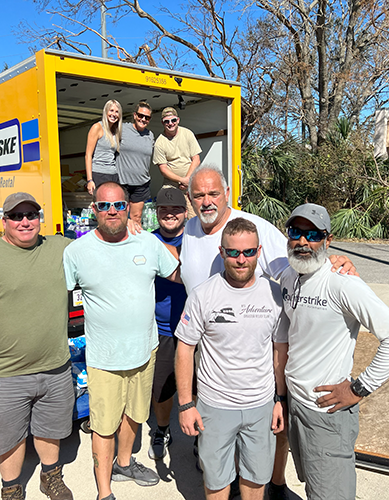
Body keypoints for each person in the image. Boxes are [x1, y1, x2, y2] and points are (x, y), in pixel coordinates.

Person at [179, 164, 357, 499]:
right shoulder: (190, 229)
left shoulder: (254, 229)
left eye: (213, 193)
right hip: (211, 354)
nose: (206, 201)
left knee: (258, 453)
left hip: (256, 352)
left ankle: (274, 483)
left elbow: (298, 265)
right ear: (191, 199)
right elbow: (183, 272)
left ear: (227, 193)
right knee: (215, 462)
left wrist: (336, 264)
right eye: (198, 195)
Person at [279, 203, 389, 500]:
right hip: (297, 406)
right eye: (296, 232)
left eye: (312, 234)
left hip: (327, 413)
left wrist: (359, 388)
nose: (303, 241)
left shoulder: (343, 283)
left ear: (327, 240)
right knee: (316, 486)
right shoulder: (288, 274)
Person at [63, 182, 180, 500]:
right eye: (104, 206)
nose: (111, 211)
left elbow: (180, 274)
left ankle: (125, 463)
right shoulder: (76, 252)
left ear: (129, 207)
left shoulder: (149, 243)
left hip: (145, 351)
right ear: (94, 209)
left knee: (135, 414)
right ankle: (104, 492)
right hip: (104, 358)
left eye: (118, 205)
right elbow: (54, 296)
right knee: (103, 425)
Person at [0, 192, 74, 500]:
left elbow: (100, 247)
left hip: (56, 367)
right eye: (16, 216)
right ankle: (12, 488)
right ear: (4, 221)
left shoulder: (59, 247)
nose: (25, 222)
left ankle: (51, 477)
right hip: (6, 374)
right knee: (9, 437)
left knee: (51, 429)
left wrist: (131, 226)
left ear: (40, 218)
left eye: (31, 215)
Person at [175, 218, 289, 500]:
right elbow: (185, 349)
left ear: (259, 251)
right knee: (216, 481)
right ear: (222, 251)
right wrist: (186, 404)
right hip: (215, 406)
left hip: (260, 405)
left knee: (256, 478)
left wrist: (280, 399)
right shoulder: (203, 295)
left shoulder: (274, 295)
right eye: (234, 252)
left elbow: (279, 351)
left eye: (249, 252)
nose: (241, 260)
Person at [148, 187, 188, 460]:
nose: (170, 214)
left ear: (185, 213)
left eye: (175, 210)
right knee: (161, 389)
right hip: (161, 330)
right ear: (157, 213)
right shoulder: (145, 241)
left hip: (195, 331)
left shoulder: (197, 241)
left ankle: (202, 439)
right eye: (164, 209)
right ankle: (162, 430)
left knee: (201, 388)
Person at [152, 107, 201, 217]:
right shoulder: (159, 142)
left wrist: (187, 180)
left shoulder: (187, 134)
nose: (170, 123)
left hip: (190, 183)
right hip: (171, 185)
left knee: (195, 217)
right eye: (167, 121)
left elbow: (196, 159)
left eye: (173, 120)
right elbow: (163, 169)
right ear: (162, 123)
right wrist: (181, 180)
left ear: (178, 120)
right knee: (169, 215)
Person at [117, 101, 155, 225]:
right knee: (119, 217)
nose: (143, 119)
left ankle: (135, 243)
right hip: (122, 182)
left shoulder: (150, 135)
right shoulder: (122, 129)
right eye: (140, 115)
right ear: (134, 115)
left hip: (141, 184)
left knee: (137, 218)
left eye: (147, 117)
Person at [85, 99, 123, 195]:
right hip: (99, 174)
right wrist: (89, 180)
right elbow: (88, 155)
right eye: (111, 110)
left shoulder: (115, 131)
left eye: (117, 112)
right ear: (106, 111)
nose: (114, 114)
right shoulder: (97, 127)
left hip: (113, 174)